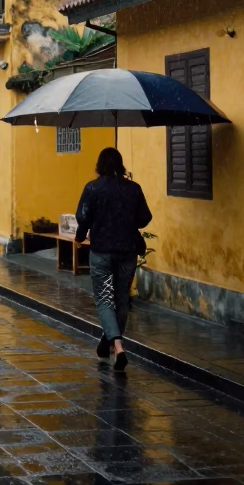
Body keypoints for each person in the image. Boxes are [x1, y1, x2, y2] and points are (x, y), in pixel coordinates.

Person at [75, 146, 152, 372]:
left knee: (104, 299)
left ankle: (118, 347)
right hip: (127, 252)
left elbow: (83, 217)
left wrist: (80, 237)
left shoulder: (92, 188)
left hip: (101, 253)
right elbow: (144, 218)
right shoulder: (134, 189)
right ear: (121, 165)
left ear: (99, 165)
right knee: (121, 299)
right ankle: (107, 341)